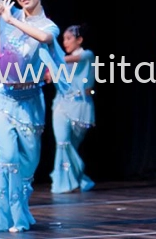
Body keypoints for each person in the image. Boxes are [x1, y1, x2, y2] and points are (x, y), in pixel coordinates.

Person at [0, 0, 69, 232]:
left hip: (30, 102)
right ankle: (12, 217)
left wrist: (12, 20)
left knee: (29, 165)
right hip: (0, 98)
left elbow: (44, 39)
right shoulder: (6, 18)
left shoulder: (48, 26)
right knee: (8, 156)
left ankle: (21, 208)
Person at [47, 24, 96, 194]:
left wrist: (52, 62)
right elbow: (51, 77)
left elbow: (73, 59)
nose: (65, 43)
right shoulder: (63, 63)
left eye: (68, 39)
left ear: (79, 40)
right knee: (62, 142)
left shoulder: (87, 55)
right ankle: (66, 184)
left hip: (80, 107)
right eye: (63, 39)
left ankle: (77, 178)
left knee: (71, 146)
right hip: (61, 106)